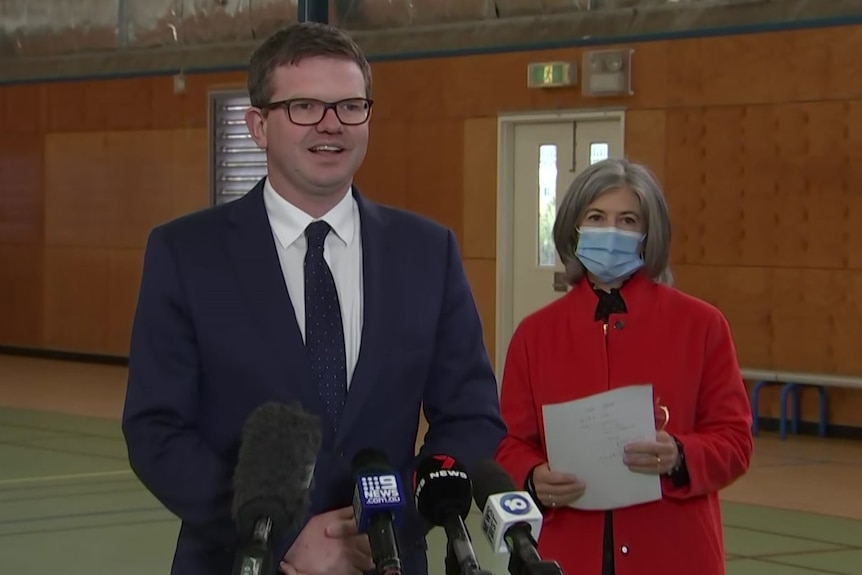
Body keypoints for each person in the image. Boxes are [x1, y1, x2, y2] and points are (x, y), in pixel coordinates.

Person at [121, 21, 506, 575]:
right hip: (240, 559)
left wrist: (387, 525)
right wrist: (279, 536)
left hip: (386, 559)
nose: (331, 124)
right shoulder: (185, 253)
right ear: (258, 125)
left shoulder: (428, 251)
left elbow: (470, 417)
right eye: (304, 106)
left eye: (350, 106)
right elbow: (156, 429)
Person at [494, 158, 753, 575]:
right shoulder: (534, 334)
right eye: (596, 217)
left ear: (648, 235)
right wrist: (531, 476)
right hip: (566, 552)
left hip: (675, 551)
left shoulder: (703, 326)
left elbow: (736, 441)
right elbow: (508, 442)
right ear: (573, 229)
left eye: (627, 220)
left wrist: (681, 456)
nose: (610, 230)